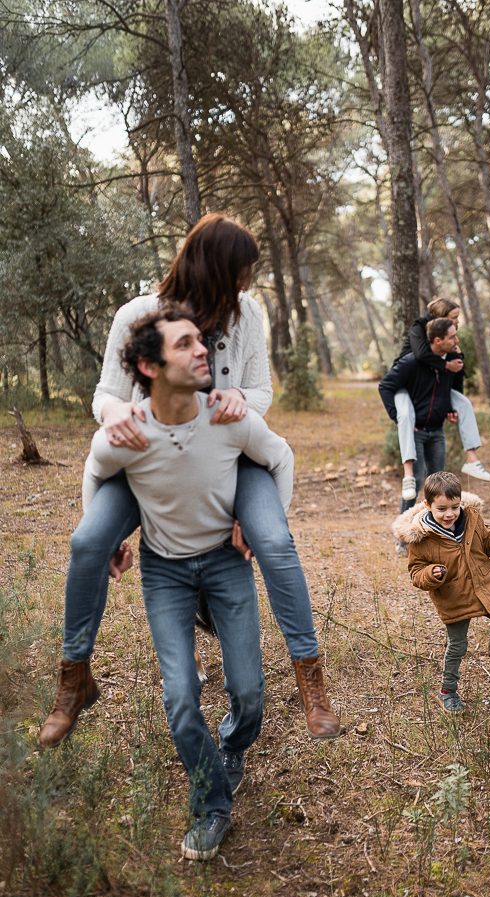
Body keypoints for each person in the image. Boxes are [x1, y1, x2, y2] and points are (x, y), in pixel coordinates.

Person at [38, 214, 340, 750]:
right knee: (88, 541)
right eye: (240, 274)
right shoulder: (139, 315)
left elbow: (261, 388)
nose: (245, 286)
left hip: (230, 452)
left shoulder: (246, 314)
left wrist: (242, 400)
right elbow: (105, 392)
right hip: (147, 455)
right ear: (213, 270)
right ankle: (73, 676)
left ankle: (309, 675)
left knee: (273, 539)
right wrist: (115, 416)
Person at [83, 305, 294, 859]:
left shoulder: (227, 416)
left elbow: (279, 455)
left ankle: (232, 742)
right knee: (180, 698)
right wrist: (107, 541)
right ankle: (212, 804)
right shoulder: (128, 430)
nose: (205, 350)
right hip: (165, 574)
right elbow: (95, 470)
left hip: (226, 564)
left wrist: (256, 523)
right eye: (186, 345)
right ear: (150, 367)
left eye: (202, 341)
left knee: (248, 693)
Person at [392, 471, 490, 713]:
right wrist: (431, 574)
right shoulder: (419, 538)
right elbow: (416, 572)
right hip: (453, 597)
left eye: (454, 506)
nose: (449, 514)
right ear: (427, 505)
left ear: (461, 501)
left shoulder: (472, 519)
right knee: (458, 646)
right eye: (441, 509)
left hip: (484, 588)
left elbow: (489, 543)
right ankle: (447, 691)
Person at [395, 297, 490, 502]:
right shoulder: (420, 327)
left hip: (435, 389)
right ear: (440, 320)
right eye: (454, 318)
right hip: (409, 385)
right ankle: (408, 476)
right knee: (405, 415)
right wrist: (447, 366)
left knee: (464, 403)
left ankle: (472, 459)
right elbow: (421, 354)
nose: (457, 322)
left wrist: (450, 406)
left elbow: (455, 374)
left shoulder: (449, 340)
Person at [379, 318, 458, 551]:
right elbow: (385, 386)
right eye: (452, 337)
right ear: (437, 340)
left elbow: (445, 393)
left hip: (438, 431)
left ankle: (435, 537)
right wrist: (400, 420)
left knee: (440, 487)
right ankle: (403, 540)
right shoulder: (411, 362)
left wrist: (449, 411)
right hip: (416, 432)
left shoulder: (449, 363)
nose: (456, 340)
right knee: (415, 485)